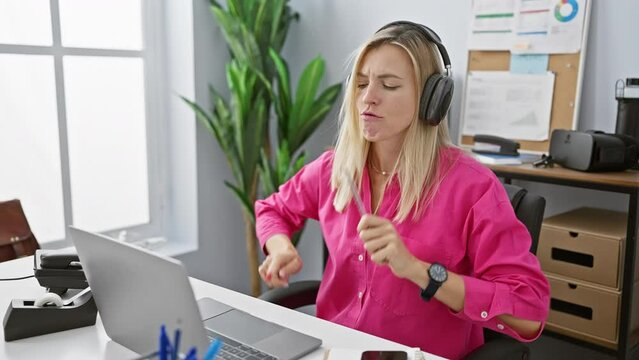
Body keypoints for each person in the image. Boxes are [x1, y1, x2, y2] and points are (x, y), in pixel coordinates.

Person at [255, 21, 550, 359]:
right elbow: (273, 208)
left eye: (389, 85)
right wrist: (279, 248)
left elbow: (529, 312)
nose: (368, 98)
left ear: (431, 100)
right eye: (362, 83)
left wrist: (420, 271)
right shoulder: (334, 169)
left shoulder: (473, 188)